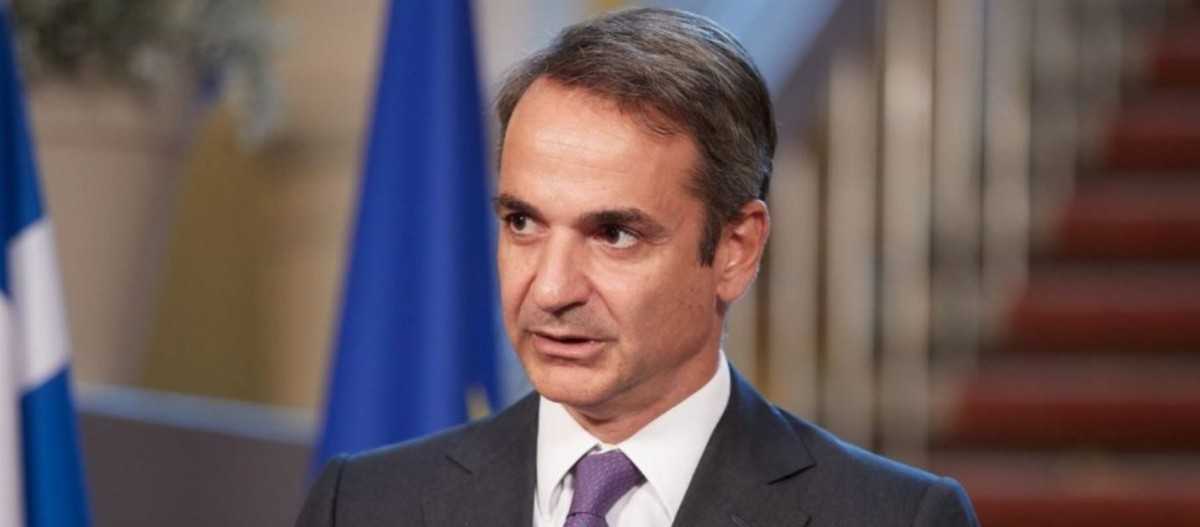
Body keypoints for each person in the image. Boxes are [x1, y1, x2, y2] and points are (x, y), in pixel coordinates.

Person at [296, 7, 979, 527]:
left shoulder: (893, 517)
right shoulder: (363, 504)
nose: (551, 289)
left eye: (614, 234)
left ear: (736, 249)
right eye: (523, 223)